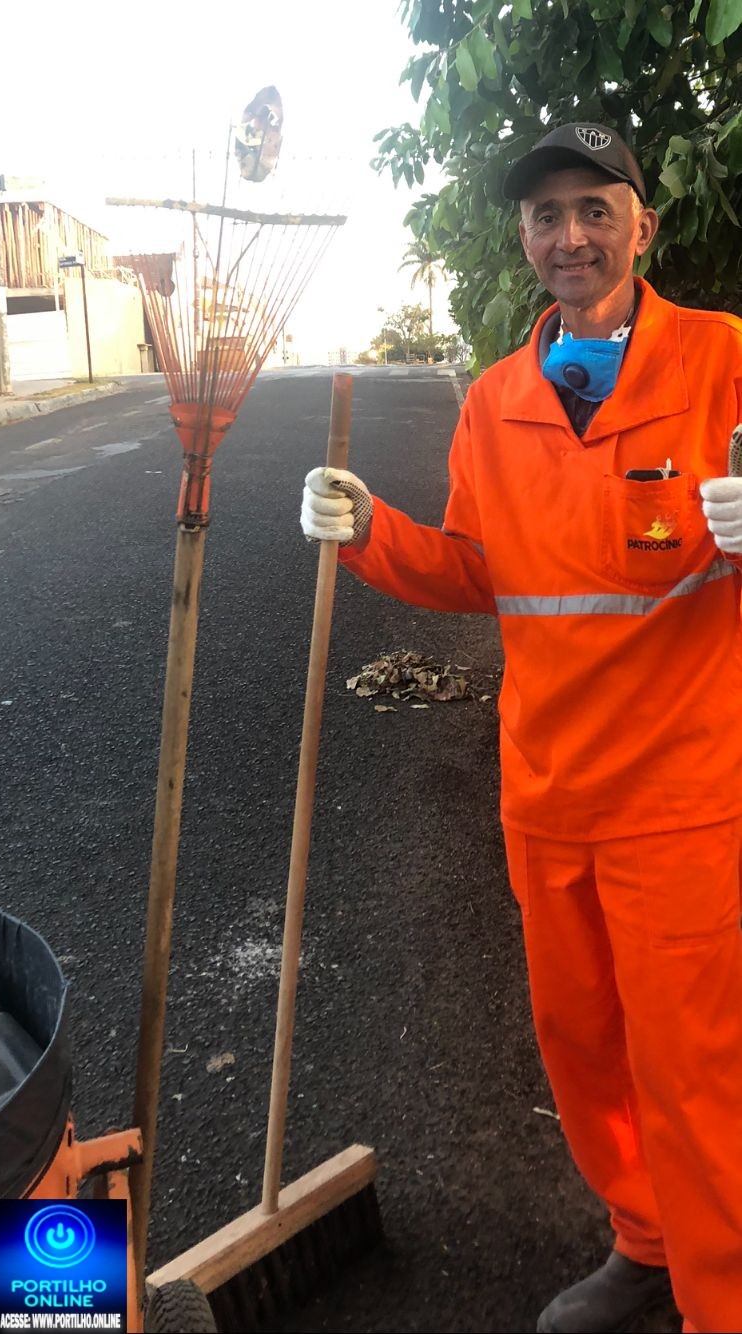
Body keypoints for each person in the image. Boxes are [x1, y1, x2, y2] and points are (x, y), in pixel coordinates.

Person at [300, 122, 742, 1334]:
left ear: (644, 225)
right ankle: (646, 1241)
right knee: (581, 1046)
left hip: (682, 796)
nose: (571, 235)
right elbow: (478, 568)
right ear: (524, 237)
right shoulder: (496, 401)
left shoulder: (722, 358)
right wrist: (370, 529)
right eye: (547, 215)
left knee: (695, 1066)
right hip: (547, 794)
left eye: (596, 208)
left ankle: (722, 1298)